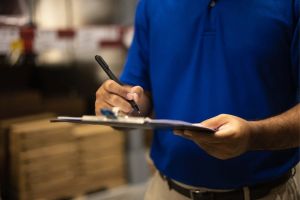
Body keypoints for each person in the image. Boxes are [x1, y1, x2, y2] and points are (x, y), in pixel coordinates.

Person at [95, 0, 300, 199]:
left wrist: (254, 136)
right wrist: (122, 105)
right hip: (167, 191)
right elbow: (141, 95)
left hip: (266, 194)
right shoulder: (152, 4)